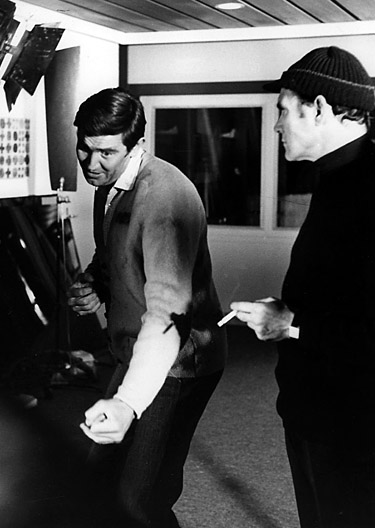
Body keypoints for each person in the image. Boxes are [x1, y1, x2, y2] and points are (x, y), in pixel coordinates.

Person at [66, 87, 227, 527]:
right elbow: (115, 251)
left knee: (138, 501)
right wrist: (97, 283)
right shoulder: (111, 182)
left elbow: (166, 317)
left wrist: (128, 402)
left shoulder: (164, 200)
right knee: (103, 478)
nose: (90, 164)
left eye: (105, 153)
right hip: (136, 351)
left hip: (177, 360)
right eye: (84, 148)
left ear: (137, 146)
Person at [231, 46, 375, 528]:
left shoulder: (364, 185)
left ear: (319, 108)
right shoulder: (341, 176)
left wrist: (292, 326)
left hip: (349, 420)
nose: (276, 126)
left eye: (283, 111)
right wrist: (287, 308)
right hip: (323, 408)